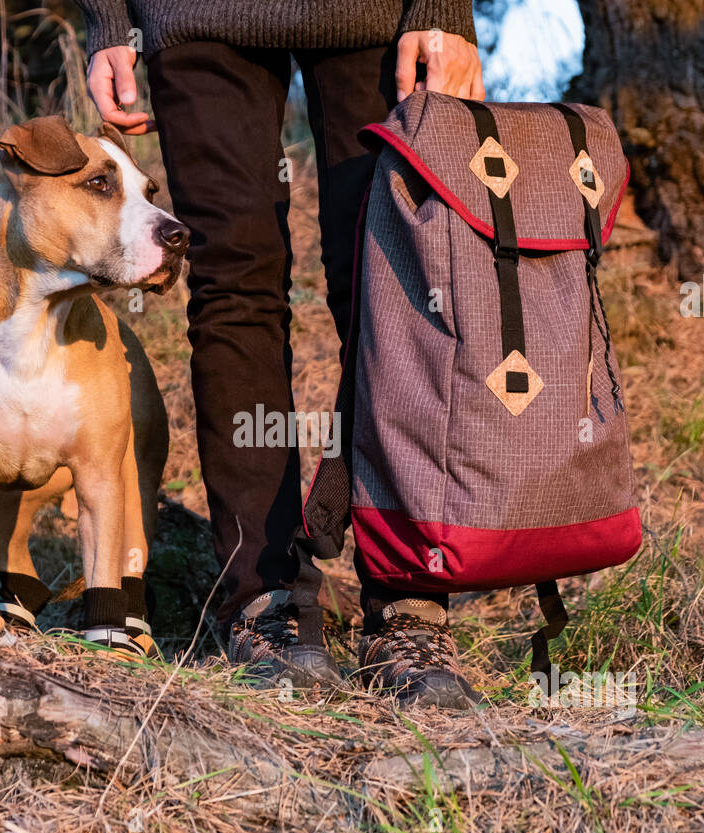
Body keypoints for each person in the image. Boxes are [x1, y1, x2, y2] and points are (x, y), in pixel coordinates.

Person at [76, 1, 486, 708]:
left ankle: (410, 602)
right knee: (233, 283)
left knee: (396, 282)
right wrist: (110, 20)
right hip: (196, 20)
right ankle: (264, 599)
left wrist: (443, 8)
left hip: (379, 20)